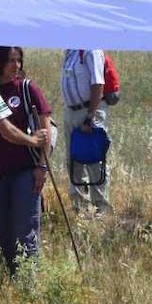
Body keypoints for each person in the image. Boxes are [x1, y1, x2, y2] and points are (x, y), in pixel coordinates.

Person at [0, 46, 52, 274]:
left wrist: (42, 165)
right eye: (10, 60)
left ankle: (28, 281)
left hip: (25, 170)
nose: (16, 65)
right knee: (1, 228)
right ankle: (9, 274)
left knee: (25, 227)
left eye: (19, 60)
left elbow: (45, 130)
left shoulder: (26, 89)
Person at [60, 49, 113, 215]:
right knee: (74, 158)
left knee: (94, 159)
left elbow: (98, 83)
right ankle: (79, 205)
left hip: (88, 110)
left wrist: (90, 116)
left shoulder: (91, 51)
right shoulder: (70, 51)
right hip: (71, 111)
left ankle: (101, 206)